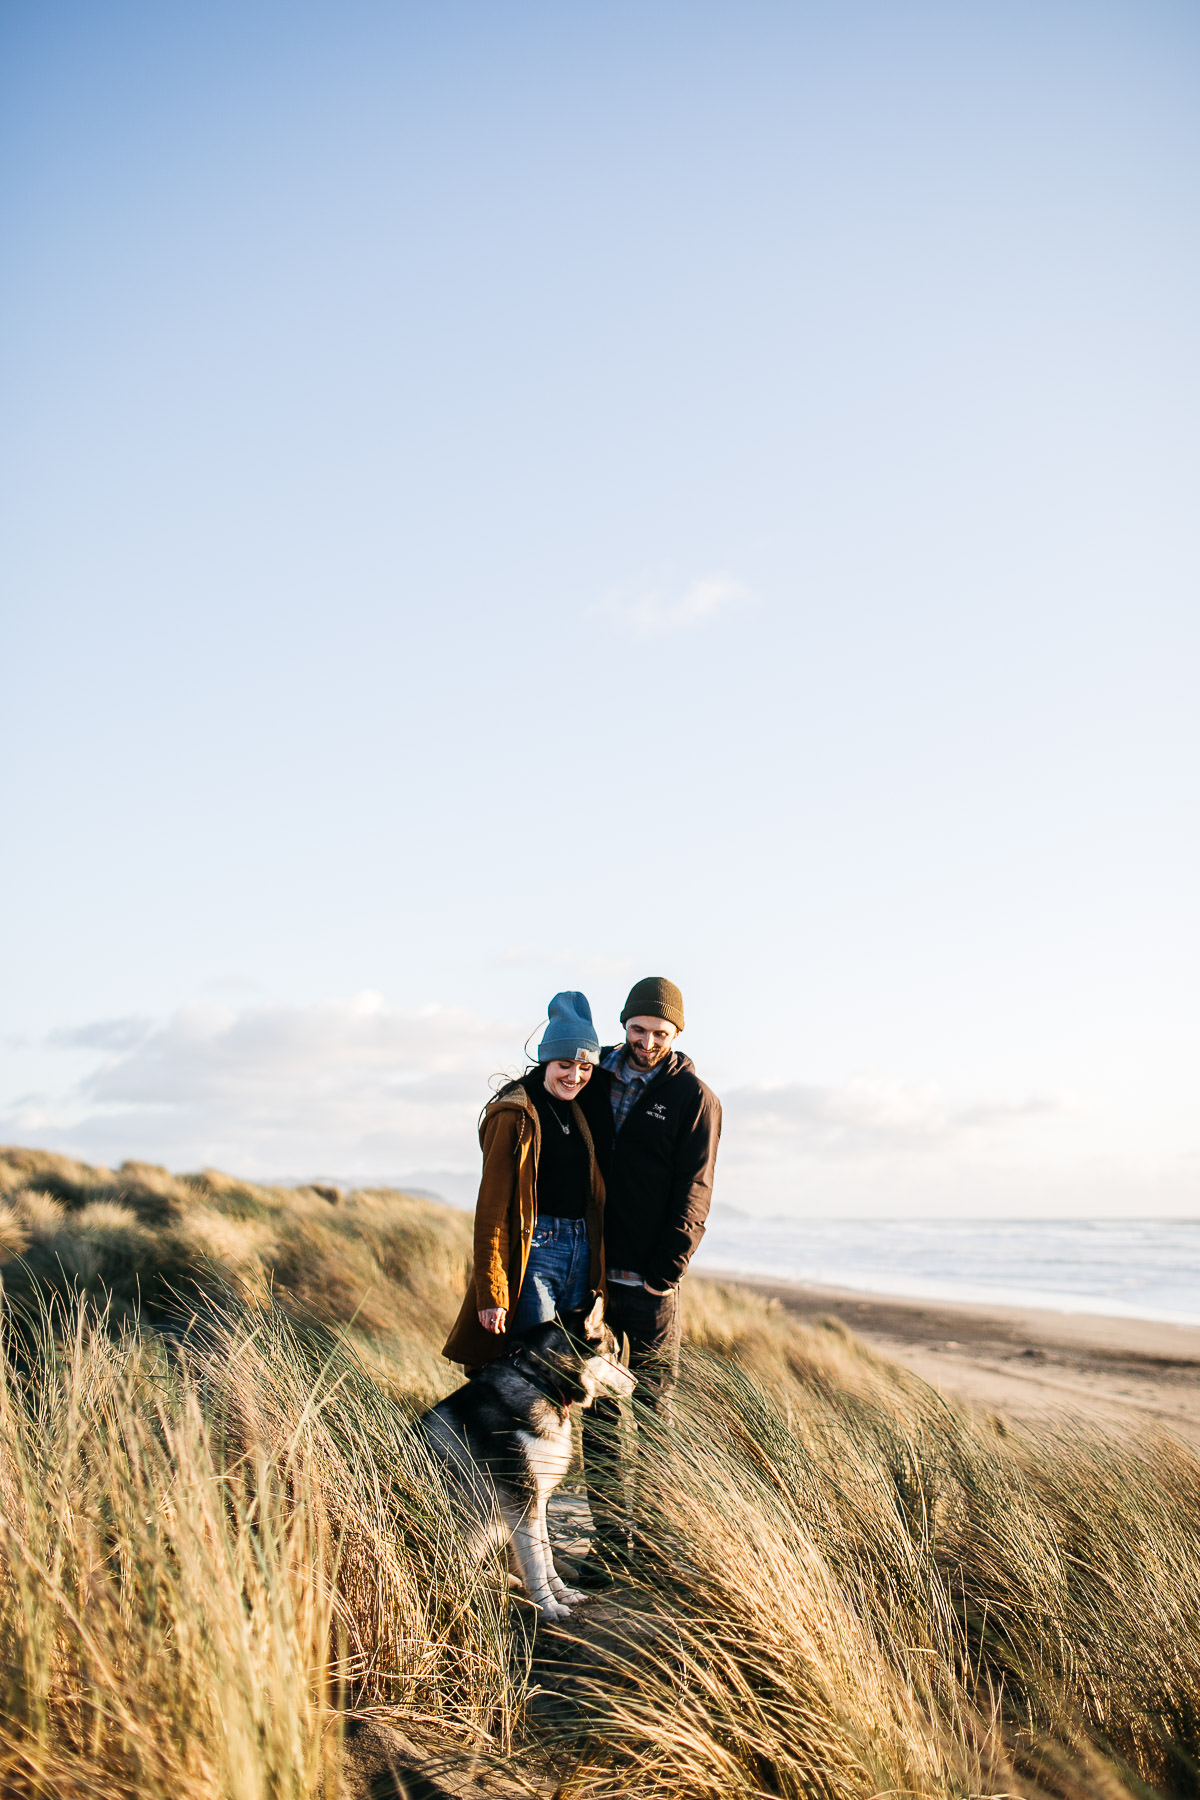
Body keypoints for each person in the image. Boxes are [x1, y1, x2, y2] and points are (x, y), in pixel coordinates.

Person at [576, 975, 721, 1580]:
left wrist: (669, 1268)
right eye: (639, 1030)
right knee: (599, 1417)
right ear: (624, 1025)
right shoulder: (592, 1076)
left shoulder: (694, 1097)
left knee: (656, 1416)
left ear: (676, 1033)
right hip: (593, 1279)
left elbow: (696, 1187)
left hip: (651, 1285)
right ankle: (611, 1549)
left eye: (660, 1032)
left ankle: (657, 1550)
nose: (647, 1042)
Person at [442, 991, 606, 1370]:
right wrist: (492, 1292)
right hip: (536, 1252)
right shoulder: (514, 1115)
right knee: (533, 1367)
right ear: (546, 1060)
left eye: (585, 1067)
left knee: (569, 1366)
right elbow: (492, 1210)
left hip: (582, 1250)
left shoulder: (581, 1111)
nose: (575, 1076)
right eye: (565, 1064)